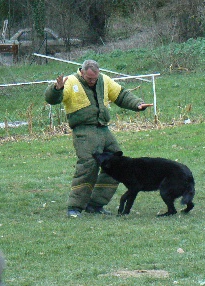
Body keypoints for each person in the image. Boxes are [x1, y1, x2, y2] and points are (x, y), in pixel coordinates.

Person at [45, 60, 153, 218]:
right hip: (84, 130)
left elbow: (121, 95)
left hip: (103, 129)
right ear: (82, 72)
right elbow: (52, 99)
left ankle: (95, 204)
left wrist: (137, 104)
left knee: (118, 164)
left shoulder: (104, 79)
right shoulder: (70, 82)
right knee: (88, 166)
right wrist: (56, 89)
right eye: (89, 79)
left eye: (95, 78)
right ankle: (74, 207)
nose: (93, 81)